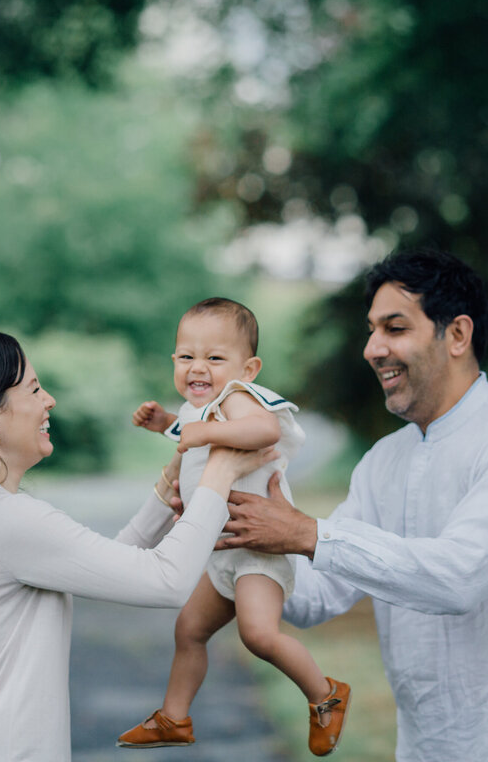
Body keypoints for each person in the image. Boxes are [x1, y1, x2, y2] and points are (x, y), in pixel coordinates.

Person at [217, 250, 488, 761]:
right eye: (371, 331)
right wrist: (229, 532)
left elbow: (456, 578)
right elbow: (313, 596)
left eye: (394, 328)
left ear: (457, 335)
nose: (372, 349)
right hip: (421, 748)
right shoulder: (384, 460)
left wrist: (306, 533)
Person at [0, 329, 276, 762]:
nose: (49, 400)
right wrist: (219, 470)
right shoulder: (10, 521)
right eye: (34, 389)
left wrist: (176, 472)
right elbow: (166, 581)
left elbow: (108, 560)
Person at [116, 298, 350, 756]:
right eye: (186, 357)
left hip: (260, 551)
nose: (197, 367)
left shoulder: (240, 397)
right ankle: (174, 717)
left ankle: (326, 694)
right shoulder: (193, 409)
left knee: (258, 635)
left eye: (214, 358)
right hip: (224, 554)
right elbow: (193, 434)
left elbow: (261, 431)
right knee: (189, 630)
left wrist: (201, 433)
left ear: (249, 367)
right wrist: (168, 423)